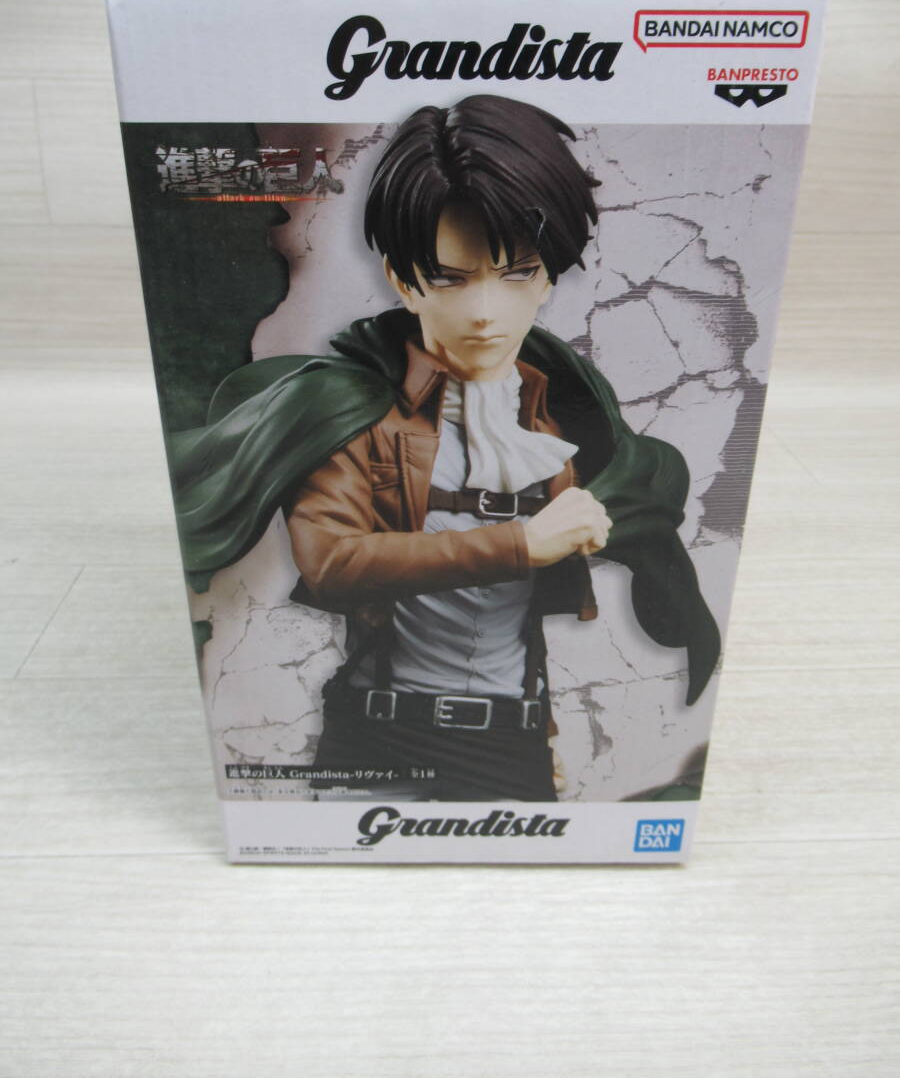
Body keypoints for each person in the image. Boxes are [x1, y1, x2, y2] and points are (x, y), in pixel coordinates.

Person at [169, 95, 720, 803]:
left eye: (516, 272)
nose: (485, 312)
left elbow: (528, 607)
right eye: (450, 278)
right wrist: (523, 543)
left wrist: (537, 727)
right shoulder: (354, 410)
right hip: (380, 735)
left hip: (511, 740)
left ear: (548, 276)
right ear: (404, 281)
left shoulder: (567, 422)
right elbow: (333, 563)